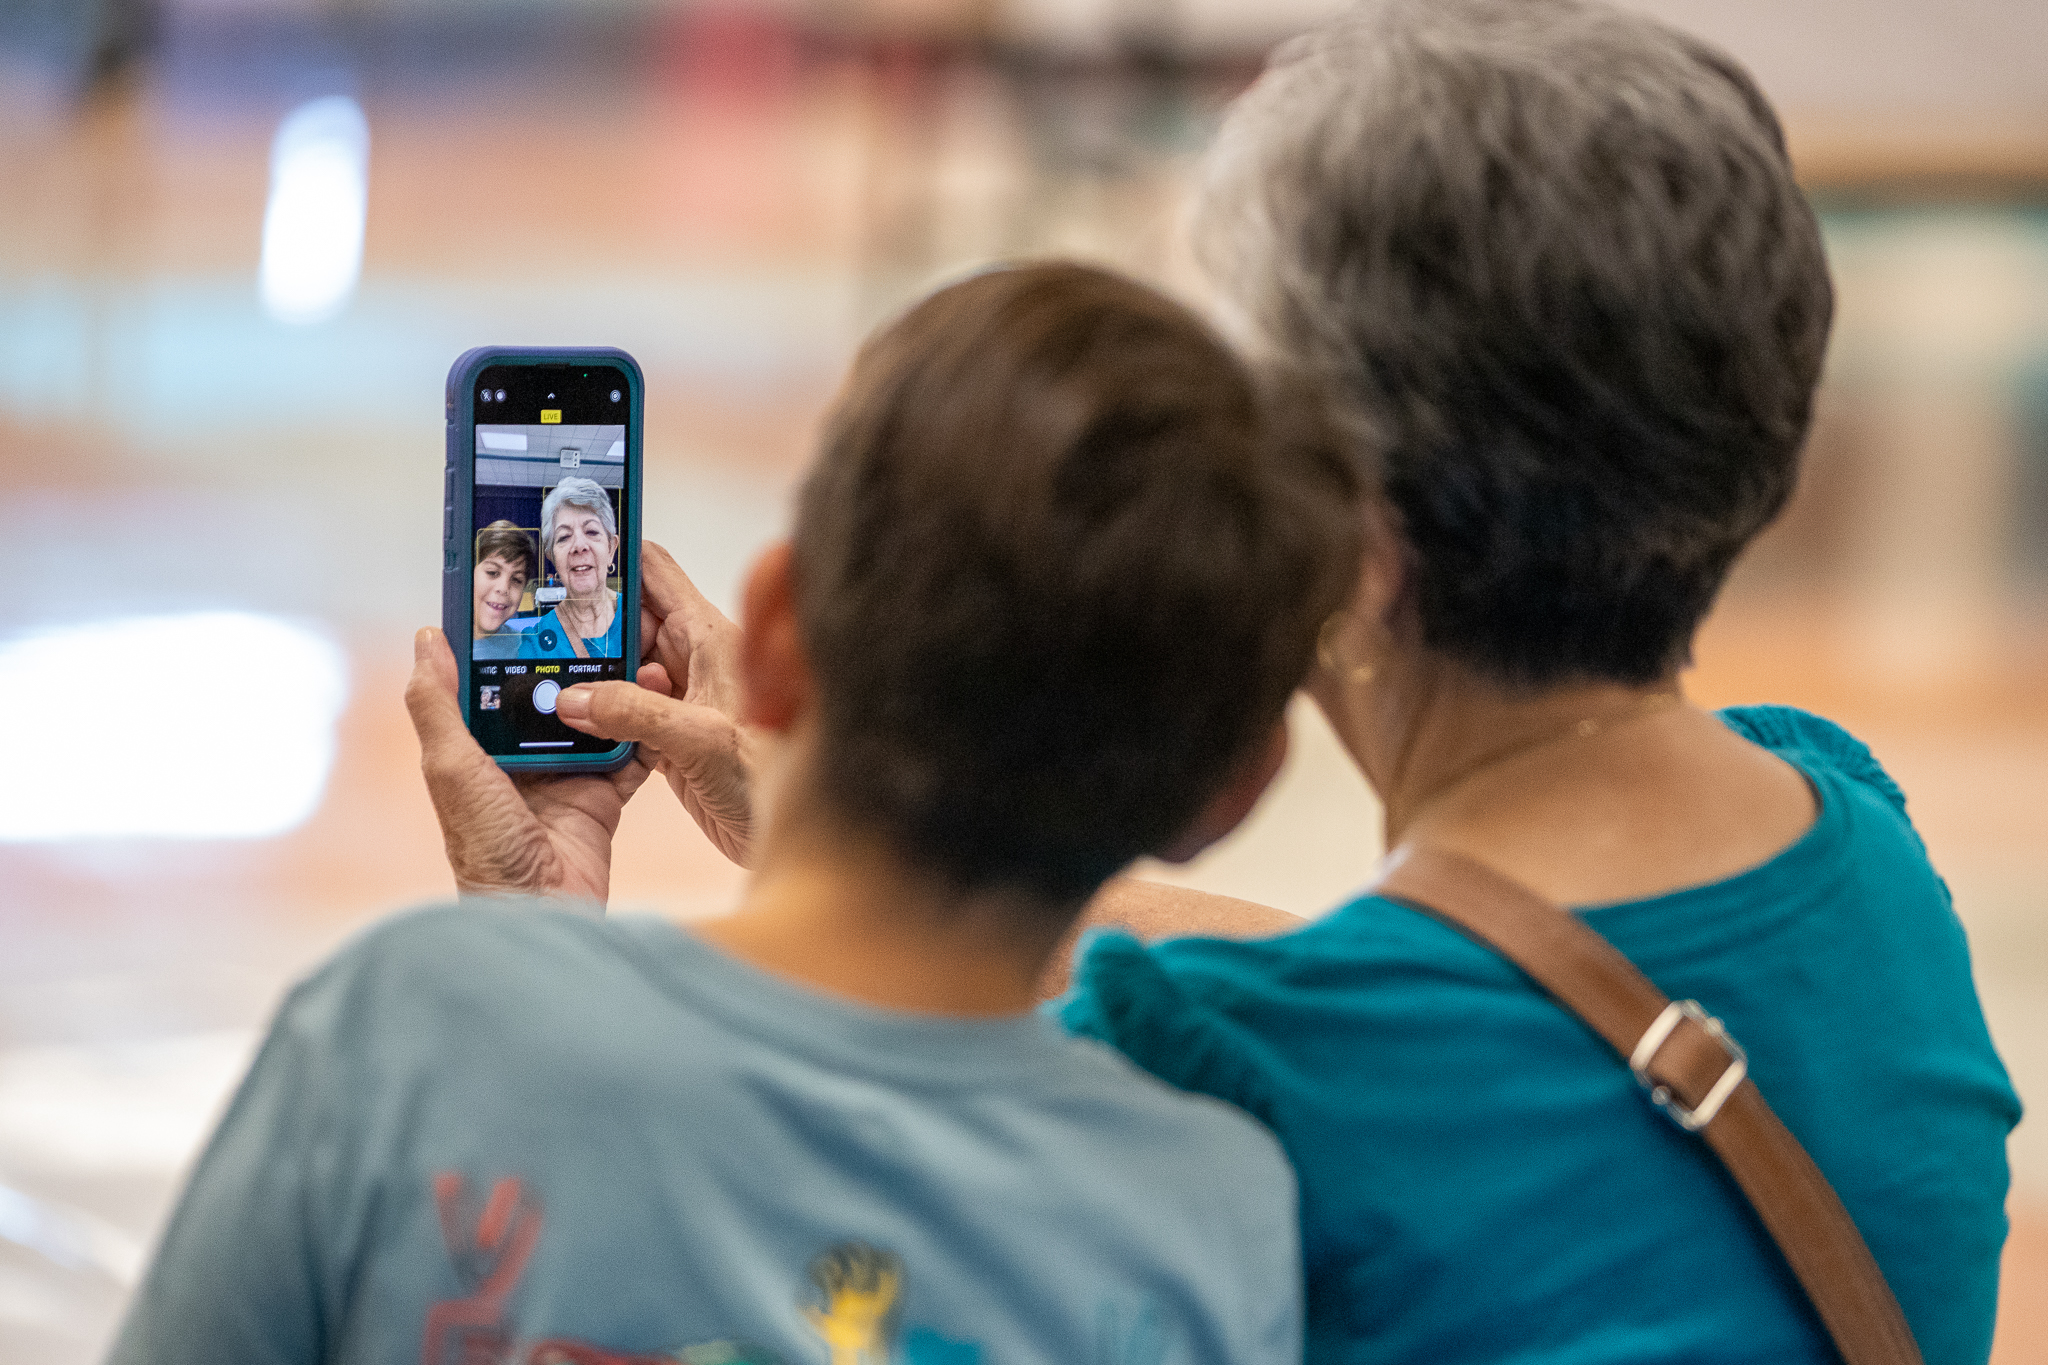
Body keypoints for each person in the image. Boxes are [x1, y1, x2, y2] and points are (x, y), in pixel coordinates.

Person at [544, 3, 2023, 1363]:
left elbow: (680, 1302)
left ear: (1360, 549)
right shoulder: (1862, 850)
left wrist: (531, 943)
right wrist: (894, 845)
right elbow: (1479, 1011)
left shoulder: (1208, 1100)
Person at [107, 262, 1363, 1364]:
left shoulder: (405, 1031)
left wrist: (529, 959)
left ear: (768, 634)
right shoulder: (1219, 1217)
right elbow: (1319, 981)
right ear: (1235, 790)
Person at [522, 475, 623, 659]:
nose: (579, 546)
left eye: (591, 531)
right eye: (564, 537)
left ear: (611, 549)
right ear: (551, 556)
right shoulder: (535, 644)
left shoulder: (639, 621)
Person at [472, 519, 536, 660]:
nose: (503, 589)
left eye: (516, 580)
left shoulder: (526, 647)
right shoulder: (442, 646)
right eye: (492, 572)